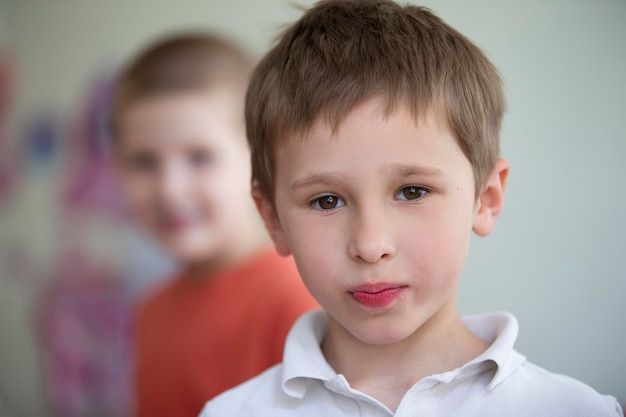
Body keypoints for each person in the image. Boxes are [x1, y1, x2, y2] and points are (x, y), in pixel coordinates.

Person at [198, 1, 623, 416]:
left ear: (487, 198)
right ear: (273, 220)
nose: (370, 245)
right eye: (326, 201)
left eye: (412, 191)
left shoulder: (575, 409)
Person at [110, 33, 319, 417]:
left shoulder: (297, 301)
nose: (170, 191)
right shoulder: (149, 312)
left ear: (259, 162)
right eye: (144, 162)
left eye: (200, 157)